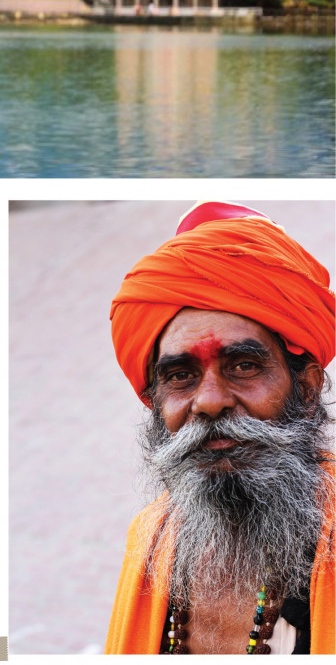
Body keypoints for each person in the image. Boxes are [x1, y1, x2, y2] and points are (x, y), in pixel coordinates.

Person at [106, 201, 334, 654]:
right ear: (155, 404)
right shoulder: (150, 537)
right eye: (179, 376)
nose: (209, 402)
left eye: (244, 365)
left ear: (306, 389)